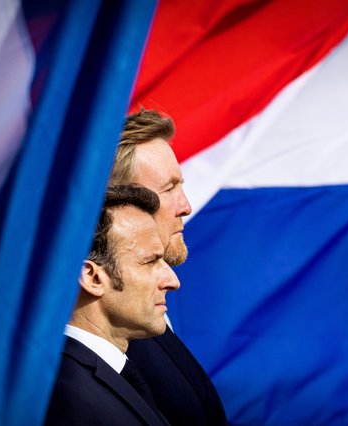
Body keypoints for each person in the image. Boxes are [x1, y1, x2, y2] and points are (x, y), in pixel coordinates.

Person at [110, 109, 226, 425]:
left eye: (181, 185)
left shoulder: (141, 316)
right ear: (121, 201)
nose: (186, 205)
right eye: (168, 188)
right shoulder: (110, 338)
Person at [45, 185, 178, 425]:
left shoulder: (101, 375)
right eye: (150, 262)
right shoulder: (70, 398)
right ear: (92, 277)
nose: (172, 281)